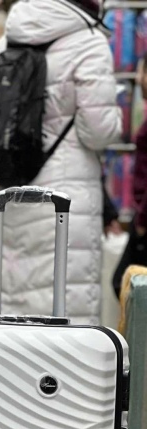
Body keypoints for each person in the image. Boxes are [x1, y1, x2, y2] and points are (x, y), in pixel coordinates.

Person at [0, 0, 121, 323]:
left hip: (10, 198)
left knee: (5, 312)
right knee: (62, 318)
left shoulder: (7, 41)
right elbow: (99, 132)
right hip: (67, 200)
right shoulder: (89, 43)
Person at [113, 55, 147, 294]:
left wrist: (143, 221)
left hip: (144, 217)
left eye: (142, 72)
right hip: (142, 214)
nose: (138, 78)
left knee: (124, 284)